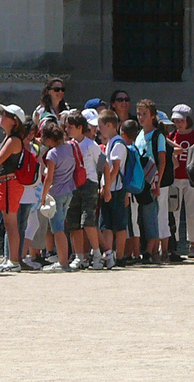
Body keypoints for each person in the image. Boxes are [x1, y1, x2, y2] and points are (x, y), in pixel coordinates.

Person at [0, 104, 33, 274]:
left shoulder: (13, 140)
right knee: (9, 224)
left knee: (11, 225)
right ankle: (11, 259)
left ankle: (13, 260)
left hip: (9, 184)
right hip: (6, 183)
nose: (1, 116)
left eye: (5, 114)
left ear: (14, 121)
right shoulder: (10, 138)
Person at [62, 110, 104, 270]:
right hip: (73, 185)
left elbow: (102, 163)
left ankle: (98, 254)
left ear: (80, 127)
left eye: (70, 127)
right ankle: (80, 256)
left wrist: (102, 183)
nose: (68, 130)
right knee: (73, 223)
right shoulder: (68, 145)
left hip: (89, 184)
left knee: (88, 221)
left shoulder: (90, 144)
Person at [166, 105, 194, 260]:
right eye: (176, 120)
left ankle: (193, 245)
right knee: (173, 212)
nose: (179, 124)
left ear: (188, 120)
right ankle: (172, 245)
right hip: (175, 178)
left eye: (181, 120)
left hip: (191, 178)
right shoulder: (171, 135)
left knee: (193, 211)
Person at [134, 102, 170, 263]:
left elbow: (162, 160)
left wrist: (157, 183)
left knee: (151, 215)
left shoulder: (158, 136)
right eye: (139, 114)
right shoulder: (139, 134)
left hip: (152, 180)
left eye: (144, 114)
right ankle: (149, 249)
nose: (141, 117)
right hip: (140, 180)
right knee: (142, 215)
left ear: (153, 116)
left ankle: (151, 250)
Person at [37, 121, 73, 272]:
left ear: (50, 140)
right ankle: (63, 259)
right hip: (69, 191)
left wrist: (43, 196)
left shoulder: (53, 154)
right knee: (61, 228)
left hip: (56, 193)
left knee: (57, 229)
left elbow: (49, 178)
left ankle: (63, 262)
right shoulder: (70, 148)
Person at [97, 109, 129, 269]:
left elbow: (115, 168)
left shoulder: (117, 144)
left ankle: (121, 256)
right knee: (107, 225)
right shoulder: (110, 142)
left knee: (119, 225)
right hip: (110, 188)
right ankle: (108, 254)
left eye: (101, 125)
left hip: (116, 189)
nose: (99, 129)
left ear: (110, 125)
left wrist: (107, 188)